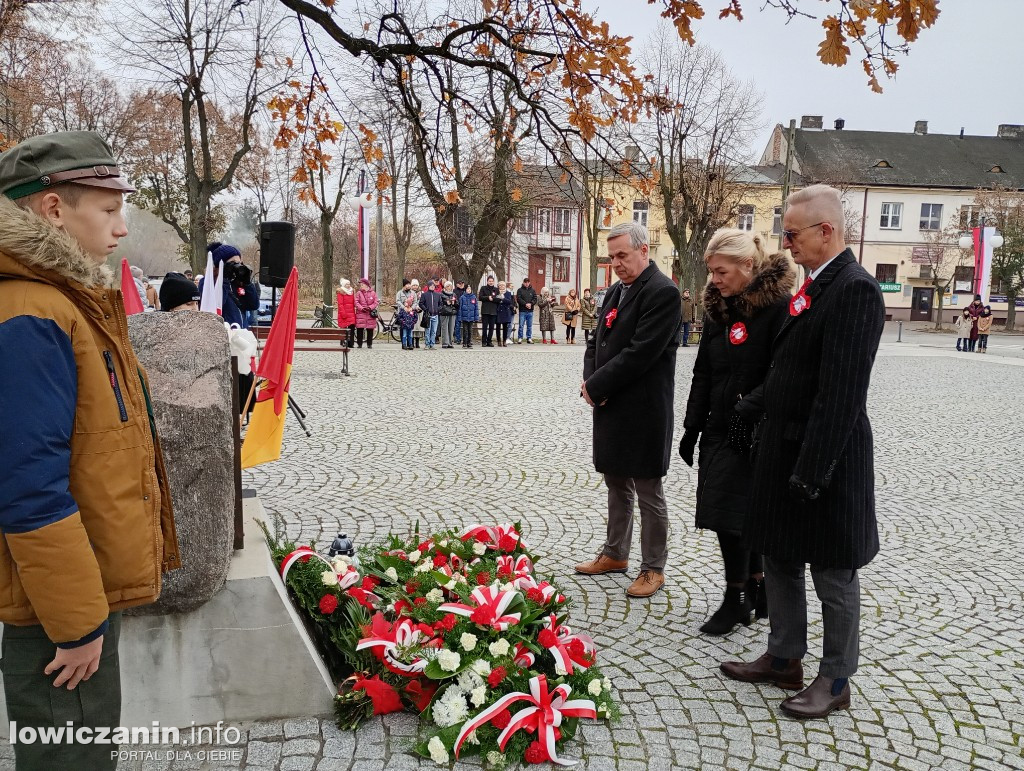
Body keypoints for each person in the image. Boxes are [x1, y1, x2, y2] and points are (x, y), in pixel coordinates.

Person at [0, 130, 180, 770]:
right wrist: (76, 626)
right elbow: (27, 486)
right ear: (52, 209)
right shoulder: (30, 312)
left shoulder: (61, 302)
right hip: (56, 618)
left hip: (73, 600)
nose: (122, 227)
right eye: (108, 209)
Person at [720, 184, 886, 720]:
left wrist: (812, 472)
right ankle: (784, 655)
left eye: (791, 233)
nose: (784, 243)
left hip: (825, 458)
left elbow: (840, 395)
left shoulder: (855, 290)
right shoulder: (811, 284)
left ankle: (836, 678)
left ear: (826, 230)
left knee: (833, 572)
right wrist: (748, 409)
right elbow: (791, 368)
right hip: (782, 447)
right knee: (779, 555)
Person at [679, 229, 795, 635]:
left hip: (757, 428)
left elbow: (784, 372)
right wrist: (691, 427)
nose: (714, 280)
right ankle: (754, 589)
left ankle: (738, 596)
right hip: (718, 425)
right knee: (729, 511)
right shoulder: (719, 308)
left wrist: (747, 411)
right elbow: (704, 372)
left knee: (738, 514)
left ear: (748, 266)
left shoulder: (779, 308)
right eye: (711, 272)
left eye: (721, 271)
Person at [576, 221, 681, 598]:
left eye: (623, 255)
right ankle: (615, 553)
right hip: (612, 404)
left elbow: (641, 354)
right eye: (612, 256)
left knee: (649, 489)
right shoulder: (616, 292)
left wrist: (598, 385)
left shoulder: (663, 292)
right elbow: (596, 342)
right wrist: (591, 382)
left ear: (643, 251)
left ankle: (653, 567)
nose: (617, 263)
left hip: (644, 409)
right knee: (616, 482)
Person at [197, 242, 260, 329]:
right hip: (222, 334)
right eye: (232, 263)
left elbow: (253, 305)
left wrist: (247, 283)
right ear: (220, 265)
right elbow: (216, 306)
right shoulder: (208, 283)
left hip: (240, 334)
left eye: (239, 263)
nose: (237, 266)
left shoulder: (237, 283)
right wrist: (223, 279)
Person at [353, 278, 379, 349]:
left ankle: (369, 344)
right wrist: (361, 308)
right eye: (360, 285)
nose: (361, 286)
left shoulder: (373, 293)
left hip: (369, 314)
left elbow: (376, 302)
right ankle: (359, 344)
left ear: (366, 285)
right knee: (359, 329)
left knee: (370, 329)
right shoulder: (358, 293)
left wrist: (370, 307)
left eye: (362, 285)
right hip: (361, 313)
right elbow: (356, 302)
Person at [418, 278, 442, 350]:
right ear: (428, 286)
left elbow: (440, 304)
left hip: (435, 315)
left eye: (433, 285)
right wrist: (425, 309)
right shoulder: (424, 295)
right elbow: (421, 303)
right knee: (427, 331)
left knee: (434, 331)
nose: (432, 286)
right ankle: (427, 344)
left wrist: (438, 309)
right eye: (431, 285)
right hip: (428, 315)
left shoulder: (437, 295)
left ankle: (432, 344)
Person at [478, 275, 500, 347]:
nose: (491, 282)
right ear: (487, 281)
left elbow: (499, 299)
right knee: (484, 327)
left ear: (494, 282)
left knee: (491, 327)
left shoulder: (496, 289)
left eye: (492, 281)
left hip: (493, 311)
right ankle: (484, 341)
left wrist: (493, 299)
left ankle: (489, 341)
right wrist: (488, 298)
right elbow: (480, 297)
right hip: (485, 311)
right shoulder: (483, 288)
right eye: (489, 281)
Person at [458, 282, 480, 348]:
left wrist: (476, 317)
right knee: (465, 330)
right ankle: (464, 342)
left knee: (470, 330)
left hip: (471, 317)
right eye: (467, 289)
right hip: (464, 317)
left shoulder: (474, 297)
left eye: (470, 289)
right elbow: (460, 308)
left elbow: (476, 308)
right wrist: (460, 317)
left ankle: (469, 342)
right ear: (465, 290)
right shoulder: (462, 297)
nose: (469, 290)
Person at [516, 277, 537, 343]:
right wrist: (525, 304)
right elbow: (519, 299)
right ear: (523, 283)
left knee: (529, 326)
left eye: (528, 282)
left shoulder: (532, 290)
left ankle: (529, 338)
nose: (527, 284)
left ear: (529, 283)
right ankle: (520, 337)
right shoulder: (520, 290)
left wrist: (531, 304)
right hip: (522, 310)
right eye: (525, 282)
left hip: (530, 311)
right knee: (521, 325)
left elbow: (535, 299)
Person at [336, 278, 356, 349]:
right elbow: (340, 304)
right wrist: (343, 313)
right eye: (347, 284)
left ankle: (351, 343)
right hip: (344, 313)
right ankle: (343, 342)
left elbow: (354, 302)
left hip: (351, 313)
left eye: (349, 284)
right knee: (343, 328)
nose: (348, 285)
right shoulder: (340, 292)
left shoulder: (352, 291)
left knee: (352, 328)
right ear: (344, 285)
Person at [439, 280, 459, 348]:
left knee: (451, 328)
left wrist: (454, 303)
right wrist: (446, 303)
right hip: (444, 312)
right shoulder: (441, 294)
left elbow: (457, 304)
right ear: (445, 287)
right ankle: (445, 342)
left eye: (450, 286)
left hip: (452, 312)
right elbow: (439, 303)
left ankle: (450, 342)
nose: (449, 287)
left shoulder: (454, 294)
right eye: (447, 286)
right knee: (445, 328)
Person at [496, 281, 515, 347]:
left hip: (505, 311)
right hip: (498, 311)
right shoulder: (496, 292)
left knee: (505, 327)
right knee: (498, 327)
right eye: (500, 285)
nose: (501, 286)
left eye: (503, 285)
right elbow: (495, 300)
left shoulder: (508, 293)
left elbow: (509, 302)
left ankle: (504, 341)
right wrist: (499, 298)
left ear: (505, 286)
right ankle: (498, 341)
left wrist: (503, 298)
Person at [453, 279, 467, 345]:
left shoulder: (466, 291)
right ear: (457, 284)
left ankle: (466, 339)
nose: (461, 285)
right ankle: (458, 338)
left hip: (465, 309)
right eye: (459, 283)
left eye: (462, 283)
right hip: (457, 309)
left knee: (466, 325)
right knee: (457, 325)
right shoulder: (454, 291)